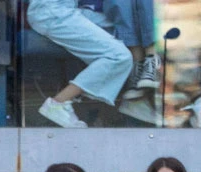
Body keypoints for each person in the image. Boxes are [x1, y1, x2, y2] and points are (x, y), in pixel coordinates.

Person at [27, 0, 132, 128]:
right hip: (54, 12)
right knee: (118, 56)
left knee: (131, 22)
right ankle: (58, 103)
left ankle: (143, 88)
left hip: (63, 9)